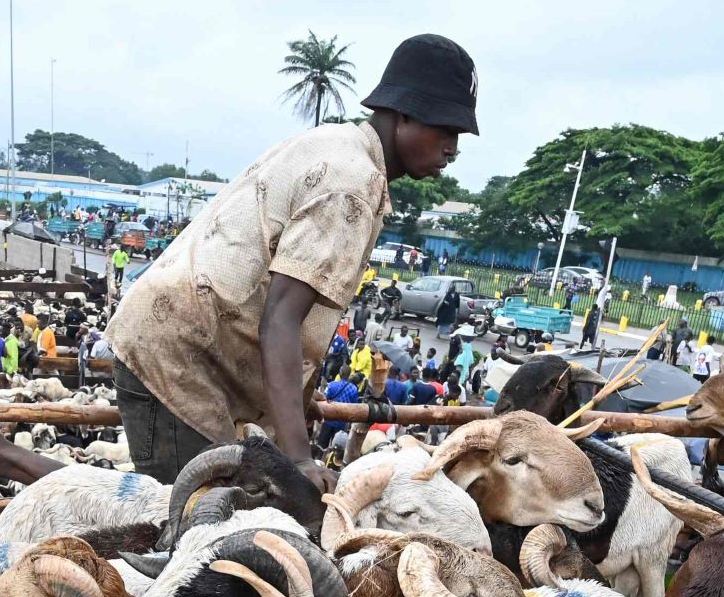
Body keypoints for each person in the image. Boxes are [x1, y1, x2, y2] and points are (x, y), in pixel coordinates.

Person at [100, 34, 473, 483]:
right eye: (446, 129)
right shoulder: (351, 181)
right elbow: (281, 316)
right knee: (198, 526)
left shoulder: (337, 146)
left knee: (234, 507)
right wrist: (298, 459)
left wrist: (298, 407)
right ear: (406, 112)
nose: (453, 148)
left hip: (187, 350)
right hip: (178, 360)